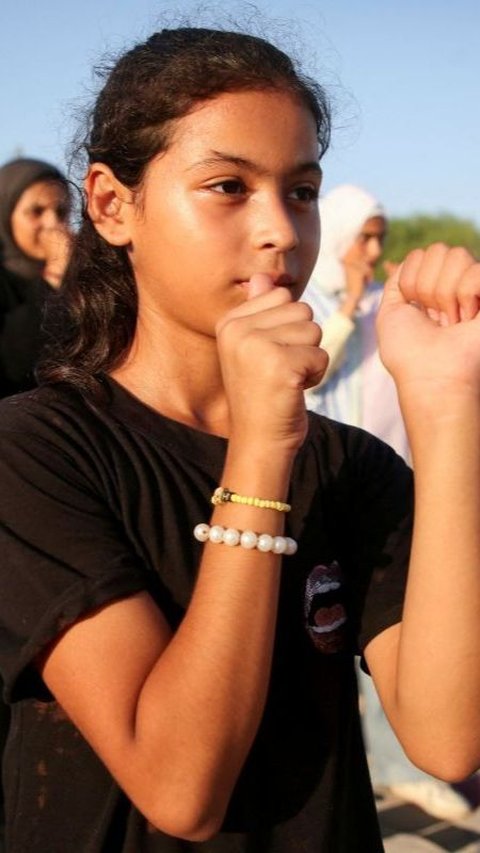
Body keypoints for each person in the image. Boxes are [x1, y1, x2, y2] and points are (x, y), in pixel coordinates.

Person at [0, 25, 479, 853]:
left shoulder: (350, 465)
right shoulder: (37, 451)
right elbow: (180, 788)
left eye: (300, 190)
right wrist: (259, 447)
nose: (282, 233)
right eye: (227, 186)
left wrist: (446, 408)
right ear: (113, 206)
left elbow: (447, 737)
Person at [303, 183, 473, 821]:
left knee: (398, 648)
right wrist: (346, 303)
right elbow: (317, 369)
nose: (371, 250)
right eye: (363, 236)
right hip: (320, 495)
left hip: (386, 481)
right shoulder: (305, 303)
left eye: (379, 236)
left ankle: (402, 769)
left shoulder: (386, 304)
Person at [0, 157, 72, 397]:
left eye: (61, 212)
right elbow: (15, 365)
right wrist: (52, 279)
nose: (52, 224)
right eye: (36, 212)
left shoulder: (81, 276)